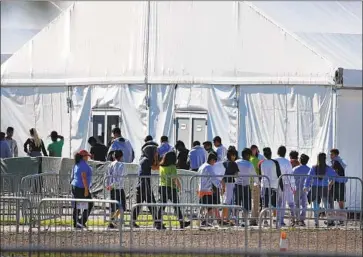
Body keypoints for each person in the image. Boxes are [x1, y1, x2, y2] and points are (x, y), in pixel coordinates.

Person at [132, 145, 165, 230]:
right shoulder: (146, 160)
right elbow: (156, 167)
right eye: (154, 152)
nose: (156, 153)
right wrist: (156, 158)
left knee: (139, 205)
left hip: (141, 185)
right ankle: (157, 223)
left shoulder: (143, 159)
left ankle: (132, 221)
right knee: (152, 205)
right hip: (144, 185)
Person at [157, 151, 191, 229]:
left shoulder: (161, 166)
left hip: (162, 186)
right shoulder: (172, 167)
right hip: (170, 188)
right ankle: (181, 222)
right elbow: (174, 178)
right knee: (176, 206)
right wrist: (179, 186)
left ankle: (158, 222)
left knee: (162, 206)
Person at [304, 152, 337, 228]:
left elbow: (308, 178)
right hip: (324, 187)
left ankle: (316, 222)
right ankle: (329, 221)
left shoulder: (313, 168)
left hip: (315, 187)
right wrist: (331, 183)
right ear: (325, 159)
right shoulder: (328, 168)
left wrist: (306, 186)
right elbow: (335, 176)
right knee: (326, 205)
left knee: (315, 205)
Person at [198, 153, 225, 227]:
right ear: (212, 160)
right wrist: (220, 186)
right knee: (211, 207)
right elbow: (213, 178)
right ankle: (204, 221)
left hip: (201, 189)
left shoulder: (202, 166)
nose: (214, 164)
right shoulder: (209, 167)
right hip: (207, 190)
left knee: (204, 206)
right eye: (214, 162)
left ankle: (202, 220)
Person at [258, 147, 284, 227]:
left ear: (264, 154)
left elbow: (260, 175)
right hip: (274, 185)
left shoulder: (261, 163)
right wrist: (282, 187)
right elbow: (279, 174)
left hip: (265, 185)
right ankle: (275, 219)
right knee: (274, 204)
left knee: (265, 204)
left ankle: (265, 220)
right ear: (271, 153)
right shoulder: (275, 162)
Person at [235, 148, 259, 226]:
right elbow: (255, 175)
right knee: (246, 204)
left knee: (237, 203)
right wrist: (258, 183)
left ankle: (236, 220)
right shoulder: (249, 164)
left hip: (237, 185)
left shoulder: (237, 162)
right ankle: (244, 221)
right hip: (246, 186)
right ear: (247, 155)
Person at [70, 150, 93, 229]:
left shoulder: (77, 164)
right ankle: (81, 221)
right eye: (87, 156)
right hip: (81, 187)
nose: (88, 158)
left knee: (77, 205)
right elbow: (84, 178)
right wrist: (86, 189)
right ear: (83, 157)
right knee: (90, 204)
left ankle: (76, 222)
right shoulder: (83, 165)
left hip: (75, 186)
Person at [275, 146, 296, 226]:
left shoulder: (275, 160)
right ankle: (280, 221)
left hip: (275, 183)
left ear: (278, 152)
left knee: (277, 202)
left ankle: (277, 219)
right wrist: (293, 186)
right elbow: (290, 175)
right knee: (283, 203)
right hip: (285, 184)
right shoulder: (287, 162)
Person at [106, 150, 126, 229]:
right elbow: (121, 176)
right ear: (121, 156)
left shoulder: (110, 164)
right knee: (122, 206)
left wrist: (108, 185)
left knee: (113, 206)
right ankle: (113, 219)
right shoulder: (122, 165)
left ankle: (111, 222)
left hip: (112, 187)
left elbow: (108, 175)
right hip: (119, 187)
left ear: (114, 156)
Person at [221, 147, 239, 225]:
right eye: (234, 155)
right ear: (231, 155)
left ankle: (225, 218)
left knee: (226, 201)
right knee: (227, 201)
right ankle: (224, 218)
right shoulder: (233, 163)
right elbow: (236, 174)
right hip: (230, 183)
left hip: (223, 183)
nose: (234, 157)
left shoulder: (224, 163)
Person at [330, 148, 347, 225]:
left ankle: (331, 220)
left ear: (335, 155)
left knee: (331, 201)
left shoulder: (336, 162)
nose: (330, 155)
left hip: (336, 183)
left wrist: (330, 184)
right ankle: (341, 220)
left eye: (332, 154)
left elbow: (334, 174)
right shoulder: (341, 161)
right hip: (341, 183)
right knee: (341, 201)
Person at [292, 154, 310, 226]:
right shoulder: (309, 169)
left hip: (297, 188)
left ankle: (298, 218)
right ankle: (302, 219)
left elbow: (291, 179)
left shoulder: (295, 169)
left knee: (297, 204)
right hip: (305, 188)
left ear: (300, 160)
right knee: (304, 204)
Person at [249, 145, 261, 225]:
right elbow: (259, 171)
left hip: (247, 182)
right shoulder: (256, 160)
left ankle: (251, 219)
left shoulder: (248, 159)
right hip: (255, 183)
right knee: (255, 202)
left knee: (251, 202)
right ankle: (253, 219)